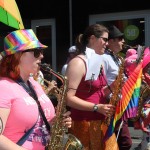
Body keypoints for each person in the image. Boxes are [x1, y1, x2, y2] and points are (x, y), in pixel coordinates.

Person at [0, 29, 72, 150]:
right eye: (37, 52)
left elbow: (39, 125)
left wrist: (56, 123)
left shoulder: (34, 83)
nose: (42, 56)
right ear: (18, 55)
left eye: (42, 51)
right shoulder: (3, 86)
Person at [65, 24, 116, 150]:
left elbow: (97, 93)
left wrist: (113, 86)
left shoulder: (97, 61)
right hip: (83, 124)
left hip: (101, 122)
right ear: (92, 38)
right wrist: (96, 107)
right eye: (104, 39)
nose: (107, 43)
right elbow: (68, 98)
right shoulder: (78, 63)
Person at [102, 25, 132, 150]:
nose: (123, 41)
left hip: (120, 102)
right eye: (120, 38)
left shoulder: (118, 58)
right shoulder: (104, 58)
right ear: (111, 41)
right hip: (111, 103)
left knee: (121, 141)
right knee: (123, 142)